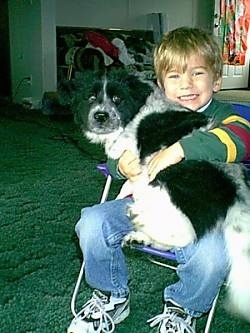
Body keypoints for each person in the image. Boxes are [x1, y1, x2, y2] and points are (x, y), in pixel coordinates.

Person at [71, 27, 250, 333]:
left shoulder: (228, 116)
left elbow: (242, 138)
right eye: (175, 77)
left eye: (197, 74)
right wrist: (120, 166)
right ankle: (111, 294)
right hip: (146, 204)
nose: (187, 85)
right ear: (160, 84)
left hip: (201, 214)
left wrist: (179, 150)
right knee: (91, 223)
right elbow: (119, 145)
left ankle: (183, 308)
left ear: (216, 80)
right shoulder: (147, 112)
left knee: (211, 257)